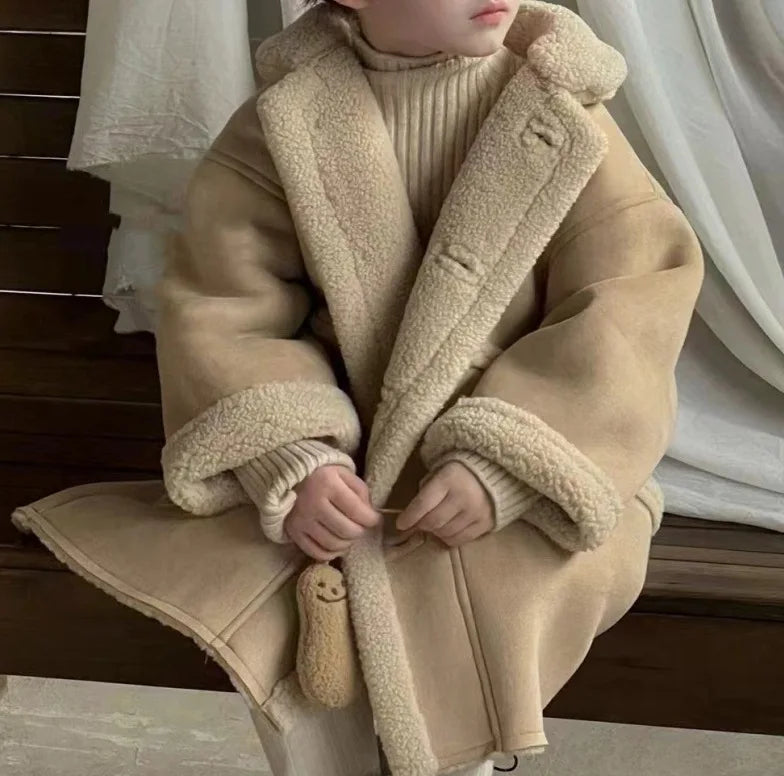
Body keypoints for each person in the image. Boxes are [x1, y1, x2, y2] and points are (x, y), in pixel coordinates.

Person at [13, 2, 704, 775]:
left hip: (521, 461)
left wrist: (510, 461)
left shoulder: (566, 117)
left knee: (498, 584)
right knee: (277, 587)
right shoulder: (282, 125)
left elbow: (627, 308)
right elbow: (225, 307)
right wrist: (296, 456)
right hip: (341, 471)